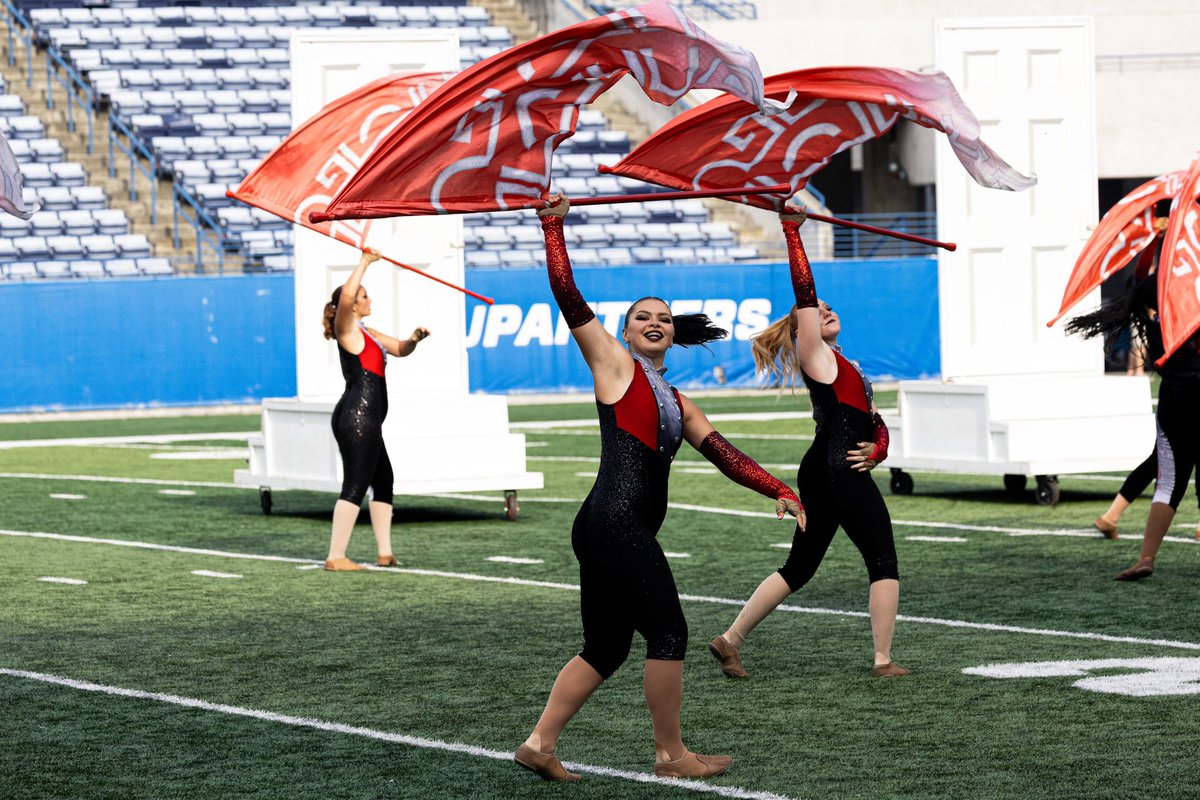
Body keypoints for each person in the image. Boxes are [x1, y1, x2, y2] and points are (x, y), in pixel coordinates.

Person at [514, 194, 804, 783]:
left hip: (608, 524)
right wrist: (552, 226)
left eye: (664, 319)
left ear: (673, 335)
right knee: (669, 632)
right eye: (643, 316)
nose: (654, 322)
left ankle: (539, 744)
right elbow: (568, 296)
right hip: (615, 522)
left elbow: (723, 454)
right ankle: (672, 756)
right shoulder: (613, 366)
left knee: (607, 646)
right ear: (622, 331)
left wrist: (777, 487)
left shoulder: (676, 400)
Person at [707, 205, 908, 681]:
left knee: (800, 565)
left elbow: (876, 423)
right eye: (816, 313)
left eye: (827, 308)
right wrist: (793, 232)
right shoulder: (815, 355)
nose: (824, 309)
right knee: (883, 559)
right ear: (803, 331)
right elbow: (805, 292)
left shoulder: (848, 364)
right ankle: (883, 660)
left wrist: (879, 448)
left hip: (825, 466)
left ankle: (730, 639)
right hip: (837, 468)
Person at [1067, 276, 1200, 579]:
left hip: (1174, 404)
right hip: (1190, 396)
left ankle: (1146, 557)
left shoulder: (1155, 326)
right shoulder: (1186, 318)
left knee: (1168, 484)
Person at [321, 248, 430, 571]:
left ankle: (385, 552)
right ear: (353, 304)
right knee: (355, 483)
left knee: (383, 480)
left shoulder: (369, 332)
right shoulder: (348, 329)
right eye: (364, 296)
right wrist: (364, 263)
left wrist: (414, 339)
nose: (370, 300)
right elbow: (345, 298)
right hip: (357, 418)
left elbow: (399, 349)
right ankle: (335, 556)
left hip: (368, 420)